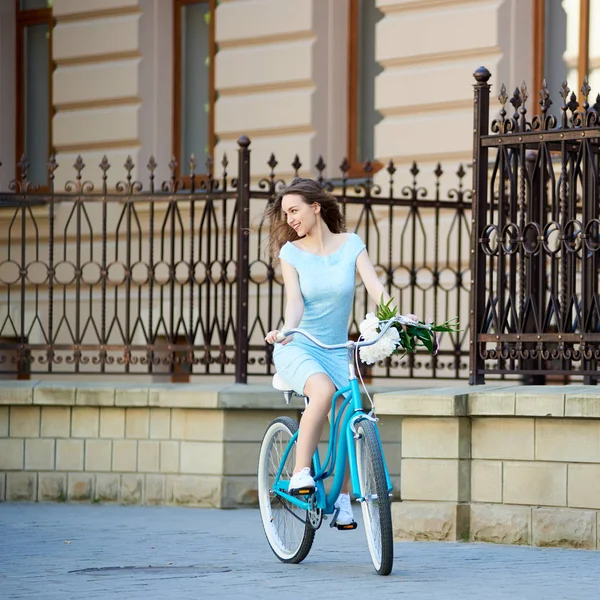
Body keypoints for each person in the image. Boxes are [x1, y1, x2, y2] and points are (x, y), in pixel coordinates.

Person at [264, 178, 395, 527]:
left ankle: (341, 498)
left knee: (352, 413)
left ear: (315, 207)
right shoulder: (290, 253)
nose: (290, 218)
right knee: (322, 392)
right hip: (301, 345)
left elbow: (377, 289)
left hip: (337, 349)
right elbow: (294, 303)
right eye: (285, 213)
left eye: (295, 210)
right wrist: (287, 330)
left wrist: (395, 318)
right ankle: (300, 473)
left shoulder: (351, 245)